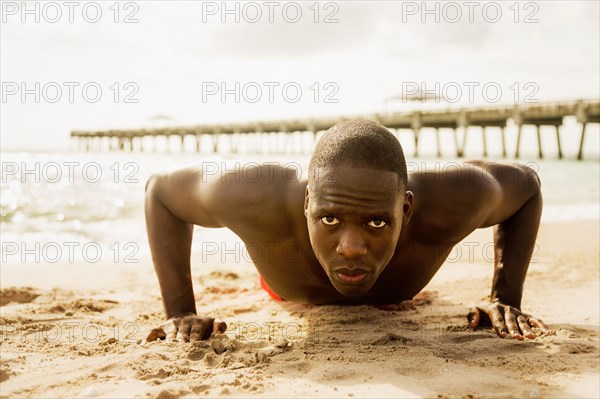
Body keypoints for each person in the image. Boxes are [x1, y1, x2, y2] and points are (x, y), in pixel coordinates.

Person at [144, 120, 549, 342]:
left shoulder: (453, 200)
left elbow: (527, 185)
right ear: (306, 203)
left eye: (376, 222)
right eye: (329, 219)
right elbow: (159, 191)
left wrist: (505, 297)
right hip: (284, 287)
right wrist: (180, 311)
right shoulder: (254, 196)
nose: (352, 248)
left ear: (406, 209)